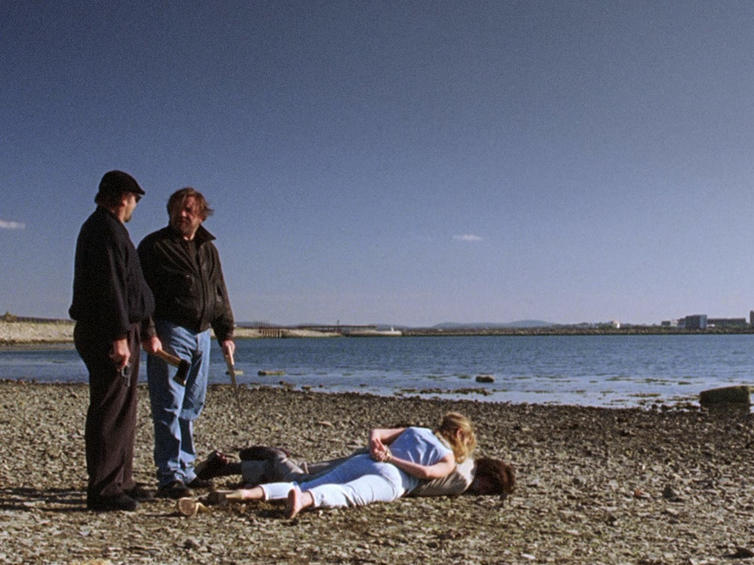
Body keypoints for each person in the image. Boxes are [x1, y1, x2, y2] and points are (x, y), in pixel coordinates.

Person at [70, 170, 162, 512]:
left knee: (124, 409)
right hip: (107, 332)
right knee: (110, 409)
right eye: (135, 200)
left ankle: (121, 480)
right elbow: (109, 290)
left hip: (124, 329)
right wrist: (119, 337)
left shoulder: (113, 231)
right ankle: (104, 489)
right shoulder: (101, 230)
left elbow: (132, 288)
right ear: (124, 198)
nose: (135, 206)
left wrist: (147, 333)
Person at [137, 187, 238, 497]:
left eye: (189, 210)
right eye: (177, 209)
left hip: (202, 335)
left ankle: (186, 468)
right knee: (168, 404)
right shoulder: (154, 246)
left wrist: (226, 334)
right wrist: (148, 332)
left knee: (191, 404)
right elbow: (140, 294)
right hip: (170, 334)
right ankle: (169, 477)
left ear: (201, 215)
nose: (182, 215)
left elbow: (219, 290)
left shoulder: (209, 249)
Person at [212, 413, 480, 518]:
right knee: (347, 494)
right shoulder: (447, 456)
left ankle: (248, 493)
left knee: (304, 481)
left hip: (365, 460)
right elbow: (425, 473)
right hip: (393, 478)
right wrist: (391, 459)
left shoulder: (416, 429)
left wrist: (377, 448)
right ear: (458, 434)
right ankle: (304, 502)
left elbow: (376, 431)